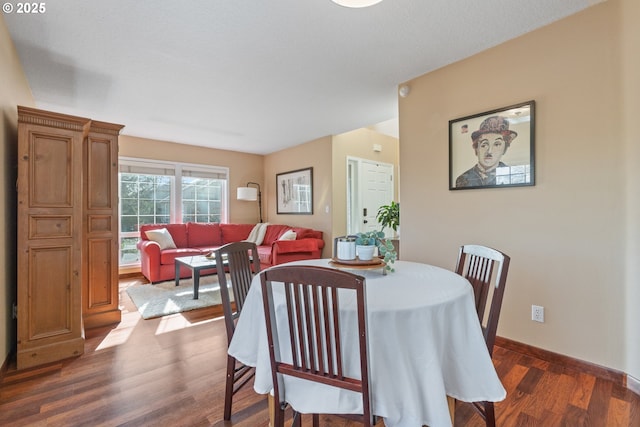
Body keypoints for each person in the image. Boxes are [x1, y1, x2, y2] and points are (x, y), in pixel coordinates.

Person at [455, 115, 517, 188]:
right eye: (484, 145)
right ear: (476, 148)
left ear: (504, 149)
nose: (489, 151)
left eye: (497, 144)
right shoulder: (462, 179)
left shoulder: (513, 176)